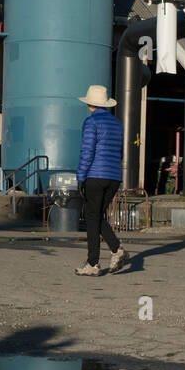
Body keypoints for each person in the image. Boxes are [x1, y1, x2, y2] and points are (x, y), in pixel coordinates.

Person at [73, 85, 129, 277]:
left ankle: (94, 263)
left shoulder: (91, 122)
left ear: (89, 103)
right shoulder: (117, 124)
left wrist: (80, 177)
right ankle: (115, 250)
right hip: (113, 176)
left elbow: (87, 152)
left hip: (95, 175)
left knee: (91, 217)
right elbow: (120, 153)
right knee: (96, 216)